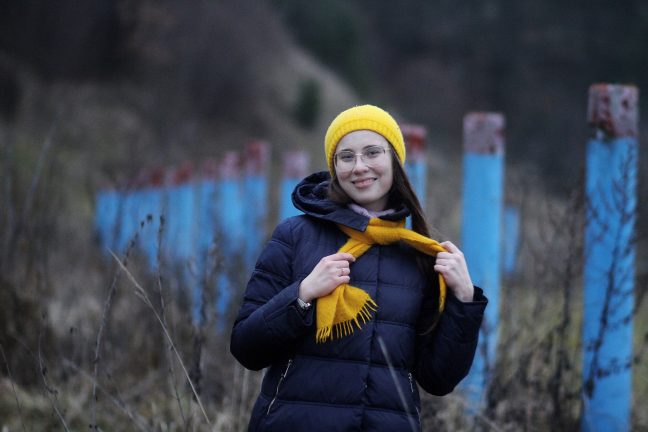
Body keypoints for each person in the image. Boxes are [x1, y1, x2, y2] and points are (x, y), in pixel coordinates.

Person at [230, 104, 488, 431]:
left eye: (372, 152)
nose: (360, 166)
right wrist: (303, 294)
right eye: (346, 157)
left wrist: (463, 300)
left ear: (394, 160)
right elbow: (246, 348)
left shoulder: (419, 254)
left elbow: (438, 379)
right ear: (334, 167)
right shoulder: (295, 236)